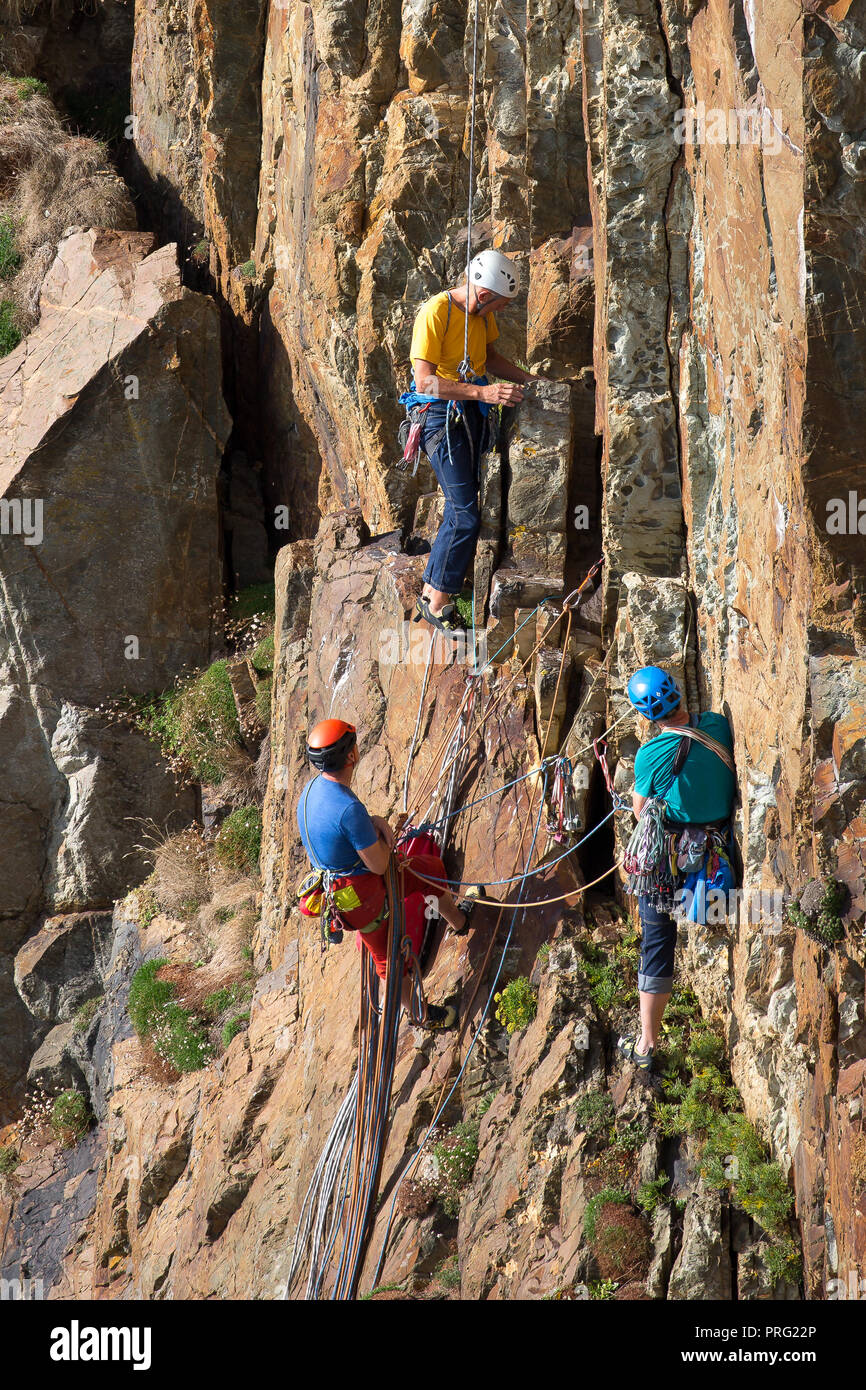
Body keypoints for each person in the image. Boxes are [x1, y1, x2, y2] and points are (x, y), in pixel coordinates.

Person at [296, 719, 481, 1029]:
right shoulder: (346, 807)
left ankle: (458, 921)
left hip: (344, 881)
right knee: (393, 963)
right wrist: (383, 833)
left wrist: (374, 820)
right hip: (361, 897)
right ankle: (422, 1015)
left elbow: (340, 831)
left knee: (429, 870)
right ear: (352, 755)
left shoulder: (312, 790)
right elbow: (380, 865)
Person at [405, 249, 539, 636]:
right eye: (500, 303)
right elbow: (424, 382)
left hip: (466, 417)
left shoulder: (482, 316)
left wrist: (529, 381)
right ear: (484, 295)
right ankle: (438, 602)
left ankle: (432, 590)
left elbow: (490, 357)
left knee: (464, 508)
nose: (501, 310)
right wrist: (483, 395)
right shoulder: (436, 312)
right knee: (464, 513)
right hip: (438, 419)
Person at [619, 667, 737, 1071]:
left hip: (672, 856)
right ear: (678, 693)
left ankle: (647, 1044)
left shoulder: (650, 754)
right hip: (718, 848)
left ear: (647, 715)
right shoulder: (718, 725)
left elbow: (640, 811)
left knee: (655, 935)